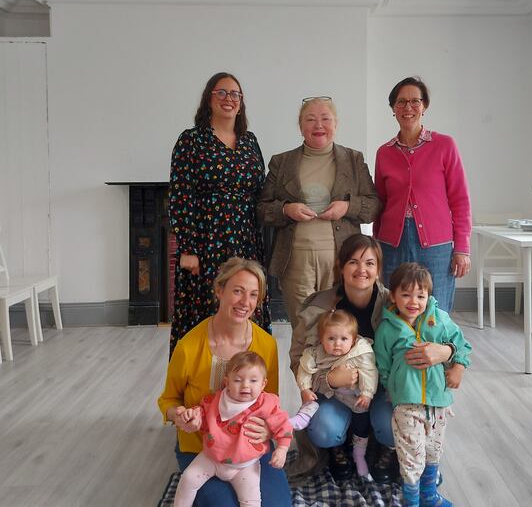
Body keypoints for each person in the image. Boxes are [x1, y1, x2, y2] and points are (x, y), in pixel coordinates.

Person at [290, 234, 457, 483]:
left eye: (369, 263)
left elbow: (441, 330)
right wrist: (329, 380)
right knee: (324, 429)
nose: (362, 270)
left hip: (385, 389)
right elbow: (298, 360)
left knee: (394, 426)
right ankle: (339, 448)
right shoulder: (319, 307)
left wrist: (449, 352)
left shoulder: (399, 301)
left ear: (378, 269)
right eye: (353, 262)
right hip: (335, 392)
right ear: (341, 267)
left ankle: (385, 449)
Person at [158, 258, 291, 506]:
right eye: (237, 291)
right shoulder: (188, 345)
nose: (245, 302)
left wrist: (268, 430)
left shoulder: (266, 345)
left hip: (249, 448)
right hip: (201, 448)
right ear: (219, 291)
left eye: (253, 295)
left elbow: (270, 401)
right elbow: (168, 399)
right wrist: (181, 415)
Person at [169, 72, 270, 355]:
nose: (229, 99)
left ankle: (248, 383)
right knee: (208, 309)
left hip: (246, 238)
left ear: (241, 103)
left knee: (246, 304)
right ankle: (203, 387)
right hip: (206, 239)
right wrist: (187, 248)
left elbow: (259, 191)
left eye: (235, 94)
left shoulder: (250, 141)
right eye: (221, 93)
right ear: (208, 100)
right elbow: (180, 195)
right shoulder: (191, 140)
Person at [257, 96, 381, 325]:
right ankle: (301, 363)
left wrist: (347, 206)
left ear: (336, 124)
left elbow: (373, 205)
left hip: (342, 260)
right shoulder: (281, 162)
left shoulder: (354, 160)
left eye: (326, 118)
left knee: (340, 331)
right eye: (310, 119)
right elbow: (262, 209)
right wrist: (286, 209)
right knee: (304, 330)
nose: (318, 125)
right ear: (301, 126)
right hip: (295, 259)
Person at [373, 263, 471, 507]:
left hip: (439, 403)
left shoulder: (439, 320)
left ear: (429, 296)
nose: (413, 301)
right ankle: (412, 500)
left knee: (433, 452)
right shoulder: (387, 329)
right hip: (406, 405)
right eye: (405, 294)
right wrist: (393, 387)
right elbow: (382, 364)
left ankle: (429, 495)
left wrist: (458, 366)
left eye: (420, 295)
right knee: (411, 457)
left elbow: (462, 344)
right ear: (393, 296)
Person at [374, 76, 472, 314]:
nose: (408, 108)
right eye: (401, 102)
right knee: (394, 309)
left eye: (415, 101)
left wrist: (462, 248)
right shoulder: (384, 153)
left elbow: (460, 200)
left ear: (424, 106)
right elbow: (380, 203)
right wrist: (376, 250)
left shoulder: (444, 145)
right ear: (393, 109)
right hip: (392, 244)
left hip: (436, 246)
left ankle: (439, 352)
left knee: (436, 312)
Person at [173, 351, 294, 507]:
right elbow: (201, 417)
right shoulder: (214, 400)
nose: (245, 385)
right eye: (238, 380)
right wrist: (192, 416)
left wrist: (282, 449)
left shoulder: (267, 403)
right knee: (188, 479)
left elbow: (283, 425)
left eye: (253, 381)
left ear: (263, 384)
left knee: (251, 502)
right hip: (211, 458)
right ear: (227, 382)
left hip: (245, 466)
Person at [295, 309, 377, 478]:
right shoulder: (317, 353)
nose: (337, 344)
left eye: (343, 339)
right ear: (321, 338)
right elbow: (304, 368)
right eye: (331, 338)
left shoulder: (361, 352)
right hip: (330, 394)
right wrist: (304, 388)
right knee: (314, 400)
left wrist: (367, 393)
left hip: (354, 397)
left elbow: (370, 372)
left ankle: (359, 454)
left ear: (353, 340)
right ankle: (304, 417)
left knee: (361, 421)